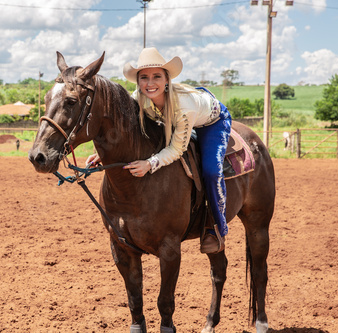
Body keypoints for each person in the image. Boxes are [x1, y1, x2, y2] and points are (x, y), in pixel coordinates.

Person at [86, 47, 232, 254]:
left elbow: (176, 148)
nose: (150, 83)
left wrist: (150, 163)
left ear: (166, 80)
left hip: (209, 121)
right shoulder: (137, 98)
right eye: (144, 77)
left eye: (156, 76)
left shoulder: (184, 106)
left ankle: (216, 227)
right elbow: (123, 130)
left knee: (211, 170)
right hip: (169, 120)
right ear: (138, 82)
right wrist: (104, 154)